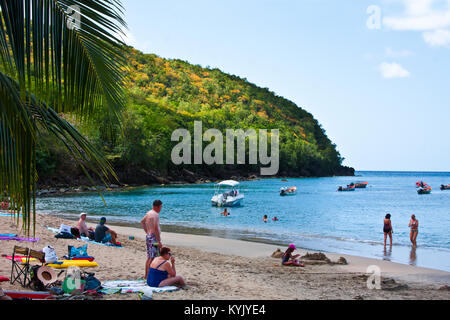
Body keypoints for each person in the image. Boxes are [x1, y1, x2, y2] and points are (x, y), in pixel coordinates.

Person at [141, 200, 163, 280]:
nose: (161, 209)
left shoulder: (148, 213)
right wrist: (159, 241)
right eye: (161, 207)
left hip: (149, 236)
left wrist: (147, 232)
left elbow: (142, 222)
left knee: (150, 257)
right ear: (157, 206)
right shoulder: (155, 215)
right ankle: (147, 276)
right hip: (153, 237)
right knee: (152, 257)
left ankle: (146, 275)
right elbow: (156, 228)